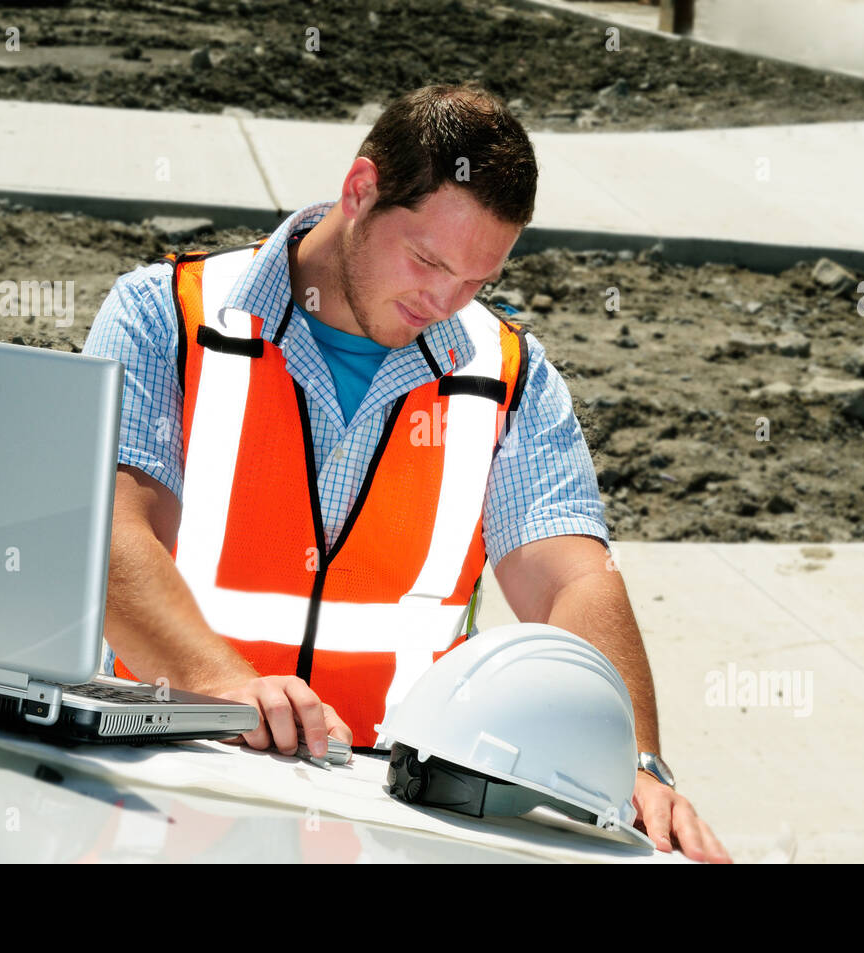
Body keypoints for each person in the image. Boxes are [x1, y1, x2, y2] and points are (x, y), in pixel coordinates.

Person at [82, 83, 730, 863]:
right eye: (427, 260)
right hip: (171, 785)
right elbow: (107, 539)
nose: (444, 300)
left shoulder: (508, 374)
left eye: (475, 281)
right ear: (360, 190)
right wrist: (218, 682)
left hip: (387, 819)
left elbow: (572, 582)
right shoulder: (169, 319)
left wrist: (634, 762)